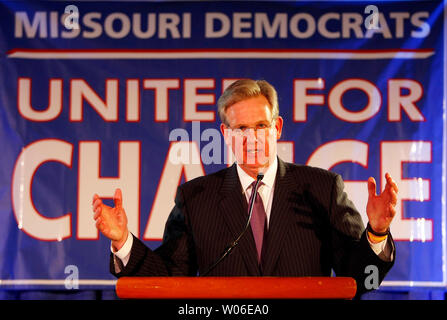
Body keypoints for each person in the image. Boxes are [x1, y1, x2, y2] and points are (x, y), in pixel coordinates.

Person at [92, 79, 397, 297]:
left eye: (261, 126)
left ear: (276, 128)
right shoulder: (197, 198)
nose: (253, 138)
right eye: (241, 129)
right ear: (226, 134)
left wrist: (377, 232)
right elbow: (171, 279)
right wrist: (124, 242)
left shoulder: (322, 188)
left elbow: (360, 281)